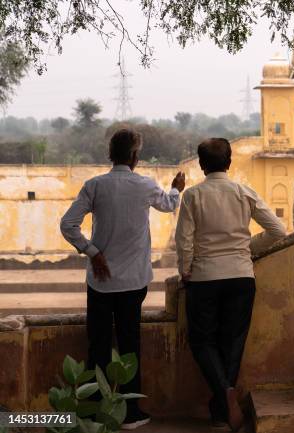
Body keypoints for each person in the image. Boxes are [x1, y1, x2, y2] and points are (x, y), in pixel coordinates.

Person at [60, 128, 185, 430]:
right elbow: (169, 205)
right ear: (135, 156)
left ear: (110, 155)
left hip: (100, 283)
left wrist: (93, 252)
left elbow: (68, 225)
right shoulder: (144, 186)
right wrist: (177, 188)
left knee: (98, 344)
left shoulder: (95, 186)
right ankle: (130, 412)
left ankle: (90, 411)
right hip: (133, 282)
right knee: (130, 345)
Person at [175, 138, 286, 432]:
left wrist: (185, 271)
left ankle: (223, 395)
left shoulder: (193, 196)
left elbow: (184, 240)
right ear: (229, 162)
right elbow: (278, 231)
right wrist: (247, 247)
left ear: (201, 165)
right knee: (233, 341)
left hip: (205, 277)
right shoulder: (244, 192)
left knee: (202, 341)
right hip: (240, 275)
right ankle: (222, 408)